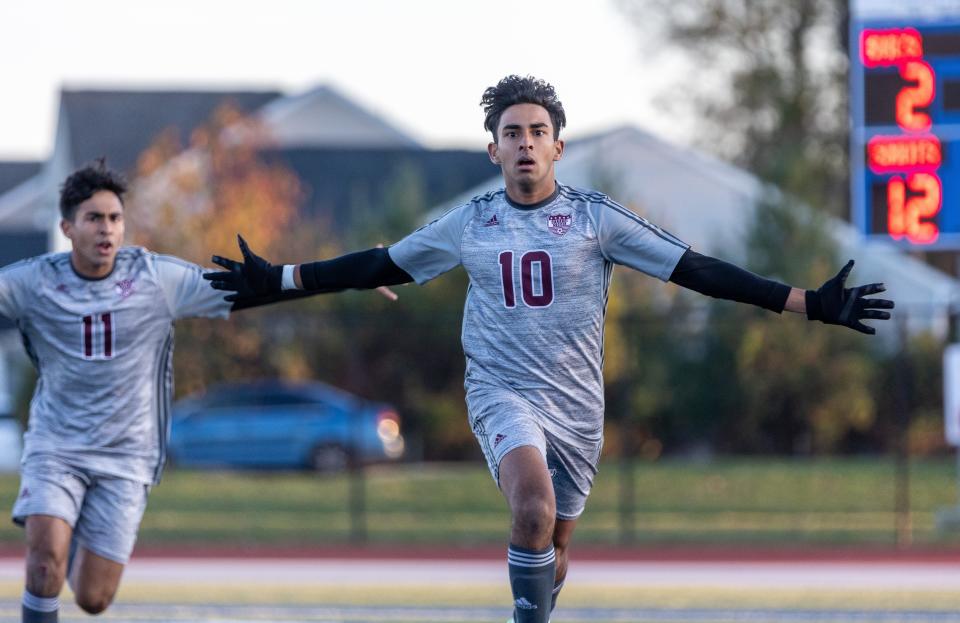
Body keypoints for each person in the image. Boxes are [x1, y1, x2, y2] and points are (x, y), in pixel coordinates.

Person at [206, 75, 895, 623]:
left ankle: (536, 600)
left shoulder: (595, 219)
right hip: (501, 392)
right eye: (513, 133)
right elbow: (378, 264)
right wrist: (277, 282)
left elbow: (698, 269)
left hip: (577, 408)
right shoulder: (470, 222)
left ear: (559, 147)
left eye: (539, 131)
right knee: (531, 510)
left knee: (553, 549)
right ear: (493, 151)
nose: (527, 142)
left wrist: (806, 302)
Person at [0, 160, 329, 622]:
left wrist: (350, 275)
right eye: (94, 218)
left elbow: (252, 289)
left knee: (94, 599)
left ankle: (70, 532)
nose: (107, 229)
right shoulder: (32, 281)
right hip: (57, 447)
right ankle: (58, 533)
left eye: (115, 218)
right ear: (67, 227)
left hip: (127, 455)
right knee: (43, 563)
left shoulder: (155, 279)